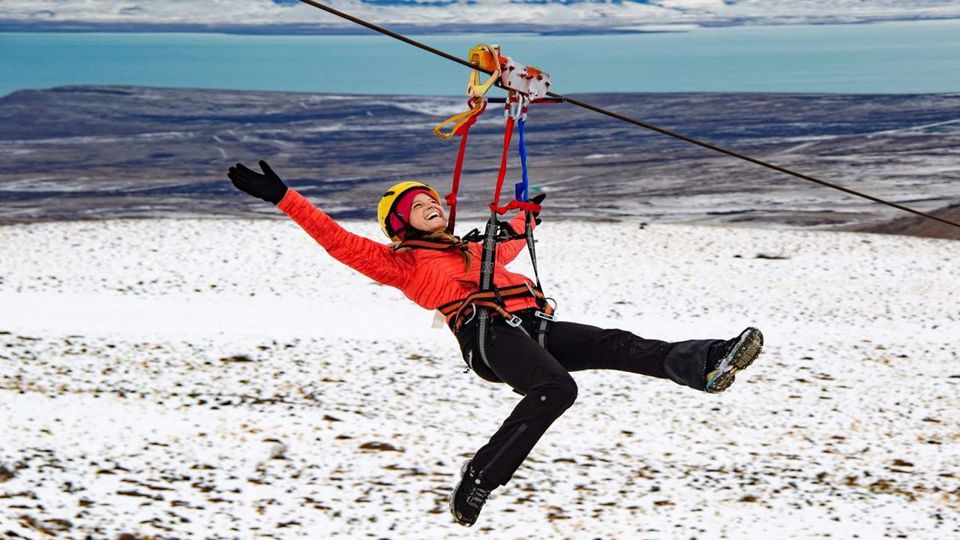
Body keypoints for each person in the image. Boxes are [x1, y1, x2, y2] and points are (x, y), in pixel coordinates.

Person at [227, 160, 764, 527]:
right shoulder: (402, 263)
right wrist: (284, 198)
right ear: (399, 224)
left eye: (434, 201)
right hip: (486, 335)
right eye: (418, 206)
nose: (431, 206)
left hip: (531, 324)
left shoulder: (474, 251)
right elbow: (337, 241)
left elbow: (506, 241)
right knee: (558, 388)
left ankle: (708, 363)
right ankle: (482, 475)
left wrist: (523, 215)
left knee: (614, 344)